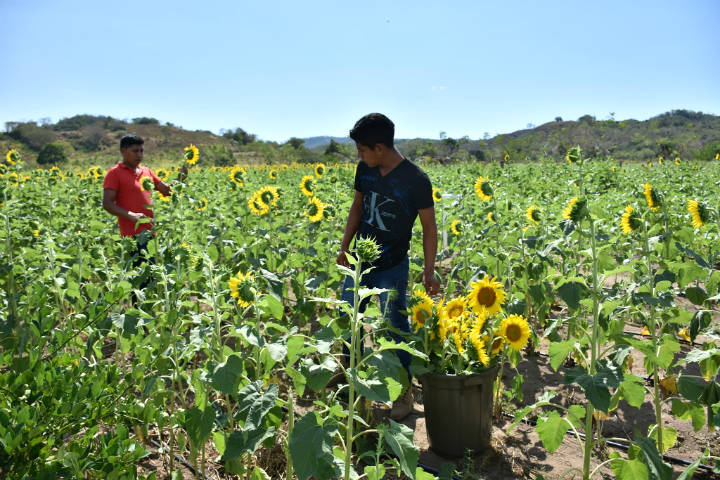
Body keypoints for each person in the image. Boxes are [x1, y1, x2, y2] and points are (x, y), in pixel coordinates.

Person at [337, 113, 440, 421]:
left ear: (379, 147)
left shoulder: (416, 180)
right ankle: (349, 380)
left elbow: (429, 227)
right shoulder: (364, 171)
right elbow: (358, 206)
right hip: (360, 265)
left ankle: (403, 393)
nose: (359, 155)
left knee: (395, 328)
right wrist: (345, 246)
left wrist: (429, 270)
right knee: (348, 319)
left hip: (392, 266)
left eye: (362, 150)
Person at [102, 134, 184, 301]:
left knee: (151, 277)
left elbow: (167, 191)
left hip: (150, 233)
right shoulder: (115, 173)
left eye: (141, 151)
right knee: (140, 280)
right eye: (135, 151)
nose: (139, 155)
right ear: (123, 151)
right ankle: (139, 320)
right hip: (132, 235)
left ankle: (148, 318)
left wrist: (182, 178)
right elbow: (107, 204)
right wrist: (131, 215)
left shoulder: (146, 171)